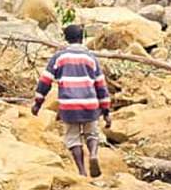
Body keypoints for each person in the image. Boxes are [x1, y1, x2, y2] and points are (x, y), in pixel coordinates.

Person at [32, 24, 112, 178]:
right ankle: (94, 154)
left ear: (66, 39)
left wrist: (38, 103)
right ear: (81, 39)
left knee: (73, 137)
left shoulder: (59, 57)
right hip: (90, 104)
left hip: (68, 105)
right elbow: (101, 85)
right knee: (92, 133)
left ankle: (82, 171)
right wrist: (106, 111)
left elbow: (45, 81)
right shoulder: (91, 58)